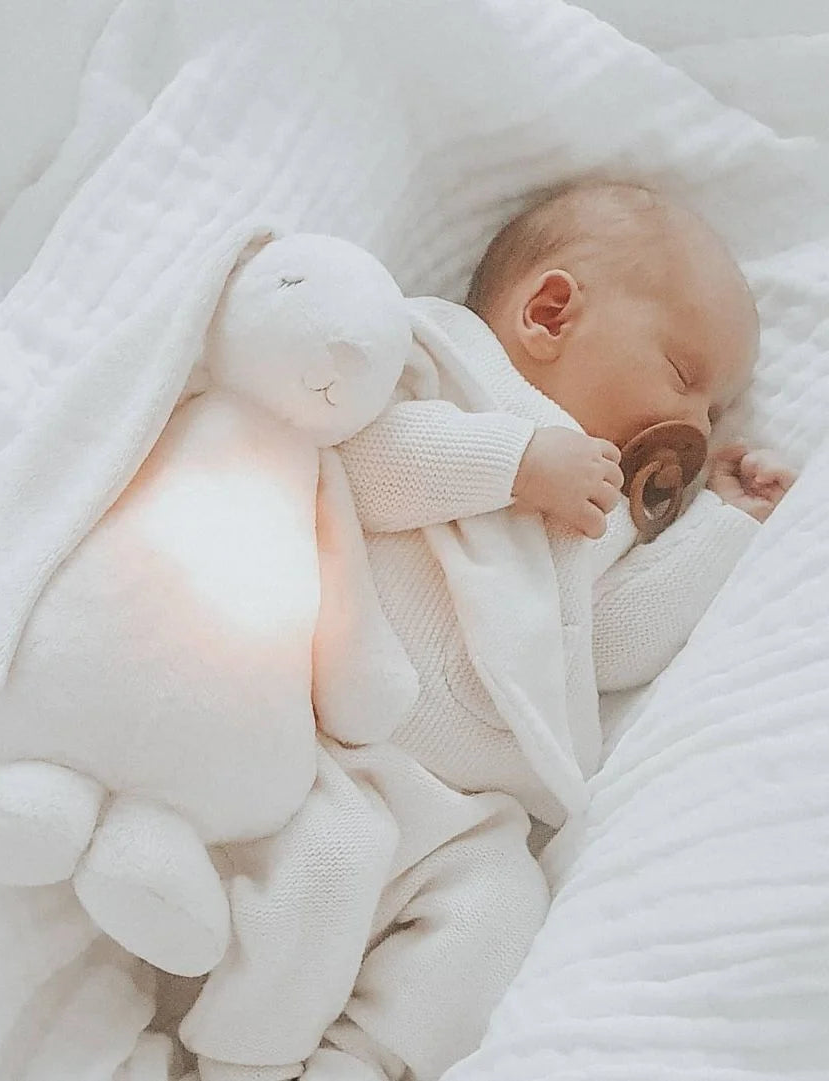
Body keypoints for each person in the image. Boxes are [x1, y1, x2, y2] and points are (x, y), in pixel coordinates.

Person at [176, 182, 796, 1081]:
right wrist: (512, 462)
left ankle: (363, 1060)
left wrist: (723, 524)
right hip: (327, 750)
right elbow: (356, 467)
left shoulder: (612, 513)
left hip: (465, 816)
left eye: (716, 410)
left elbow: (609, 647)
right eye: (682, 375)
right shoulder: (439, 364)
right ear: (550, 313)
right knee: (321, 871)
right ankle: (242, 1060)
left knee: (503, 911)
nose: (697, 424)